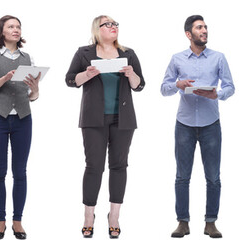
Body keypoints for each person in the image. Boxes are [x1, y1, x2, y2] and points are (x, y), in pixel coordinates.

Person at [65, 15, 144, 239]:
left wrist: (131, 75)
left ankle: (114, 216)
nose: (113, 27)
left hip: (123, 118)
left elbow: (140, 85)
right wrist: (86, 74)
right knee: (93, 167)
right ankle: (89, 216)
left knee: (119, 166)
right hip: (93, 119)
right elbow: (70, 80)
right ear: (97, 29)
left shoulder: (128, 53)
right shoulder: (84, 53)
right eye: (108, 24)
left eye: (115, 24)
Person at [161, 15, 234, 239]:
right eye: (199, 27)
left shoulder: (219, 58)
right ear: (188, 34)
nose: (204, 30)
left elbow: (230, 87)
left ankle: (210, 223)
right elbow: (164, 88)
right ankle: (182, 222)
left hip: (211, 124)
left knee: (213, 177)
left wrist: (217, 94)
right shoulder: (177, 59)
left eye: (205, 27)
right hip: (184, 124)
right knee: (182, 177)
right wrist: (178, 84)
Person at [0, 15, 39, 240]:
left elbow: (32, 96)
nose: (16, 30)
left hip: (23, 118)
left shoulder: (28, 57)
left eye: (18, 26)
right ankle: (0, 222)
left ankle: (18, 222)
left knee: (20, 172)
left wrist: (35, 89)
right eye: (11, 26)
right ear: (1, 32)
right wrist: (4, 78)